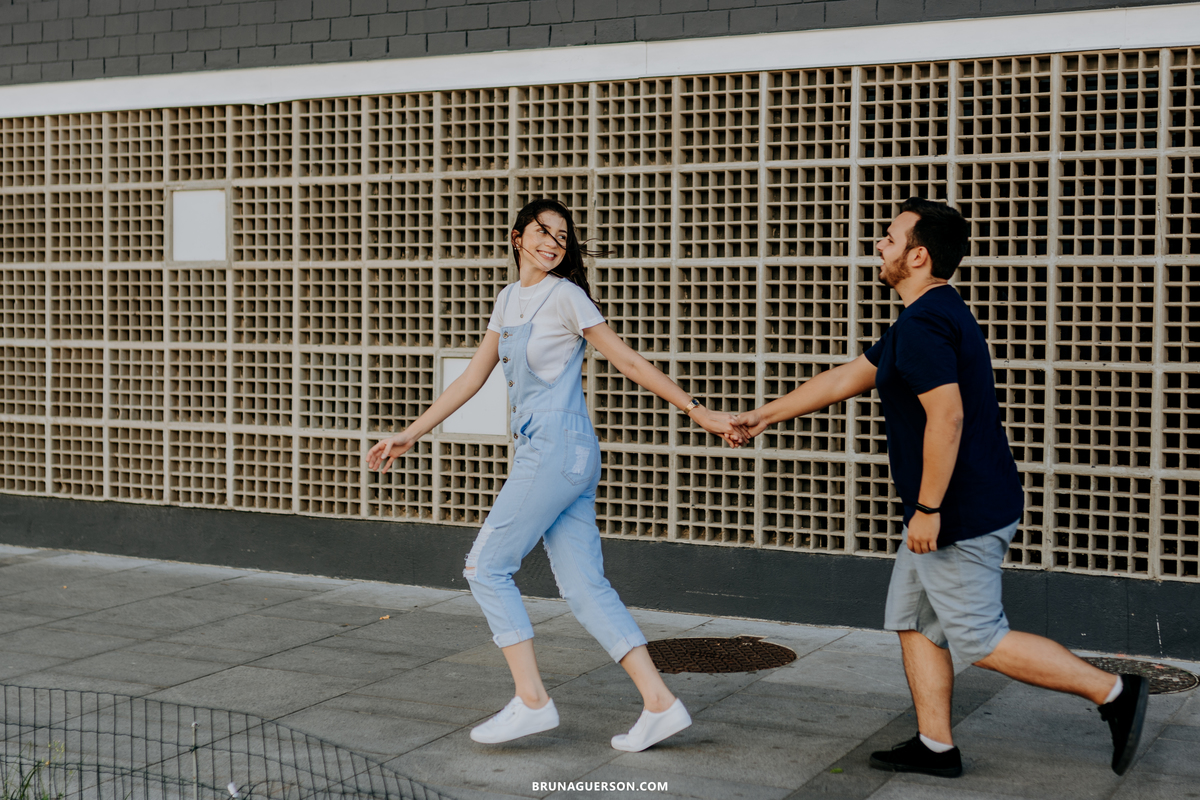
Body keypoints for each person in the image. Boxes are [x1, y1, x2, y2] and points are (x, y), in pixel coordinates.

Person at [730, 197, 1149, 778]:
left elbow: (945, 418)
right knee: (913, 619)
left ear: (918, 254)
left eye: (889, 236)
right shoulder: (927, 315)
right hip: (957, 505)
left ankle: (1114, 693)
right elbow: (849, 376)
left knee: (980, 638)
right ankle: (936, 745)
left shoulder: (926, 323)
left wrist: (928, 509)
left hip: (957, 512)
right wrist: (763, 416)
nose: (879, 244)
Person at [367, 199, 738, 751]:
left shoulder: (565, 296)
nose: (553, 242)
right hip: (561, 453)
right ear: (517, 237)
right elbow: (472, 378)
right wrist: (410, 432)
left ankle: (533, 700)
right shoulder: (509, 300)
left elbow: (628, 361)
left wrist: (698, 411)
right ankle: (661, 704)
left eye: (562, 236)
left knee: (486, 567)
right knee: (586, 589)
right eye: (544, 231)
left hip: (555, 449)